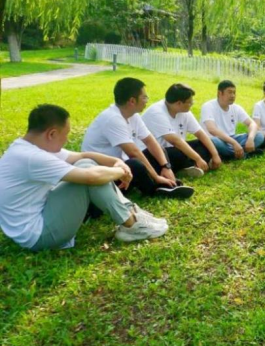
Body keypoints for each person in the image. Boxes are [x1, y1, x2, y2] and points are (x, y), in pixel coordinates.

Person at [0, 105, 168, 250]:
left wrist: (117, 162)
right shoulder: (32, 157)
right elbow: (91, 178)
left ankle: (131, 213)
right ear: (51, 134)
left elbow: (83, 155)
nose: (67, 140)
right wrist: (121, 172)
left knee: (86, 163)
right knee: (89, 173)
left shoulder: (27, 147)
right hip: (39, 235)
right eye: (66, 134)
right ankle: (131, 224)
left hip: (40, 216)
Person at [81, 77, 194, 199]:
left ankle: (164, 181)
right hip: (105, 173)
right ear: (132, 101)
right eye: (144, 97)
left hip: (121, 164)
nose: (146, 101)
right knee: (135, 164)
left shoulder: (133, 115)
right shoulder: (112, 119)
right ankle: (156, 189)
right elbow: (133, 152)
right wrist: (156, 176)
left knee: (160, 151)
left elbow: (150, 141)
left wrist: (166, 167)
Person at [143, 83, 222, 176]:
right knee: (178, 153)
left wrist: (215, 155)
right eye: (190, 102)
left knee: (204, 143)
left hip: (174, 149)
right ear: (179, 103)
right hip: (154, 153)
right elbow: (175, 141)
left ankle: (187, 168)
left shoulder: (184, 111)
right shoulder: (156, 112)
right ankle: (189, 166)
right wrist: (198, 158)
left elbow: (200, 133)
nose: (192, 104)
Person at [200, 80, 264, 160]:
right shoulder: (208, 106)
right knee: (214, 141)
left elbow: (252, 124)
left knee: (259, 135)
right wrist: (234, 143)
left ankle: (232, 154)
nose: (233, 95)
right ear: (220, 93)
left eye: (234, 93)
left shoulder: (236, 108)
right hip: (217, 139)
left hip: (233, 138)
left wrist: (250, 139)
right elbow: (212, 130)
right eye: (230, 92)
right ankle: (243, 154)